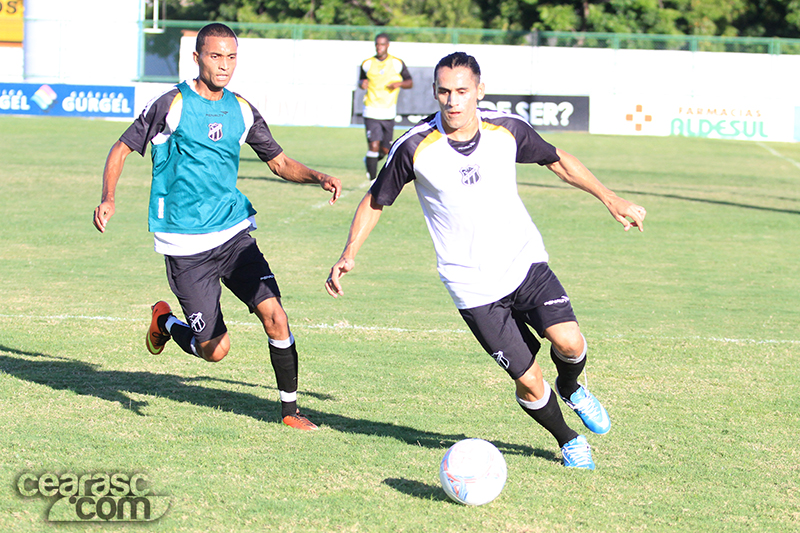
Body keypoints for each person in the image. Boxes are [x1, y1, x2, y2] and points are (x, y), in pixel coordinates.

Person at [326, 52, 647, 468]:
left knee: (570, 342)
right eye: (445, 91)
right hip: (472, 286)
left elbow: (557, 160)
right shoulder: (415, 146)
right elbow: (376, 200)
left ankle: (571, 387)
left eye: (462, 91)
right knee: (529, 381)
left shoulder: (506, 128)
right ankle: (568, 439)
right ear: (435, 92)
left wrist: (610, 198)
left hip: (524, 262)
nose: (453, 100)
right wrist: (349, 253)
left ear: (479, 90)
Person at [93, 23, 342, 431]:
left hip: (232, 235)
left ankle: (290, 411)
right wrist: (108, 198)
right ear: (197, 58)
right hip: (185, 245)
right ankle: (165, 323)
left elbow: (278, 162)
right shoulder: (172, 104)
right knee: (215, 350)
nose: (224, 65)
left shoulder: (241, 109)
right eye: (215, 56)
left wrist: (318, 176)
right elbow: (121, 148)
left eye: (231, 57)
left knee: (276, 316)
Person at [359, 33, 413, 180]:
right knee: (373, 146)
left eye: (382, 44)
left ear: (388, 45)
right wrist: (362, 83)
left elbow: (410, 82)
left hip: (388, 111)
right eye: (377, 44)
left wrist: (399, 84)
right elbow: (361, 80)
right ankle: (372, 182)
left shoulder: (397, 63)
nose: (379, 47)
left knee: (385, 150)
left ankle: (370, 161)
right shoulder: (367, 63)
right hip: (371, 109)